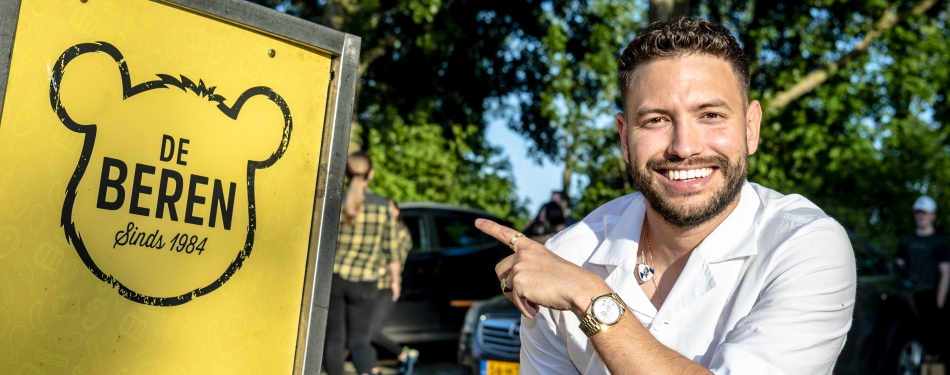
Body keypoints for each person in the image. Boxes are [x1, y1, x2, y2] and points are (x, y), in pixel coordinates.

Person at [475, 18, 856, 374]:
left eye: (710, 115)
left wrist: (591, 298)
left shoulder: (805, 246)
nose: (684, 147)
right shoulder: (568, 256)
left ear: (751, 128)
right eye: (656, 119)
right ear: (625, 139)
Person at [324, 152, 400, 375]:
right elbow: (392, 249)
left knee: (334, 342)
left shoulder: (333, 202)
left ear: (346, 174)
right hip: (365, 283)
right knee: (360, 341)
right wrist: (395, 281)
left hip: (334, 281)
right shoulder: (382, 207)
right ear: (371, 174)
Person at [369, 199, 419, 375]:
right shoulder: (378, 230)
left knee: (372, 331)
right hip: (371, 285)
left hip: (387, 287)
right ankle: (372, 368)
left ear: (397, 212)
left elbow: (396, 258)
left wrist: (380, 268)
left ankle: (403, 354)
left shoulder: (402, 233)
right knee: (365, 331)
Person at [896, 195, 950, 355]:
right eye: (918, 212)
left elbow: (946, 273)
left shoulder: (940, 242)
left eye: (925, 213)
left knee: (931, 340)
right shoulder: (906, 240)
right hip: (907, 298)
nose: (921, 216)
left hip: (929, 300)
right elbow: (898, 268)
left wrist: (940, 300)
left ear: (933, 215)